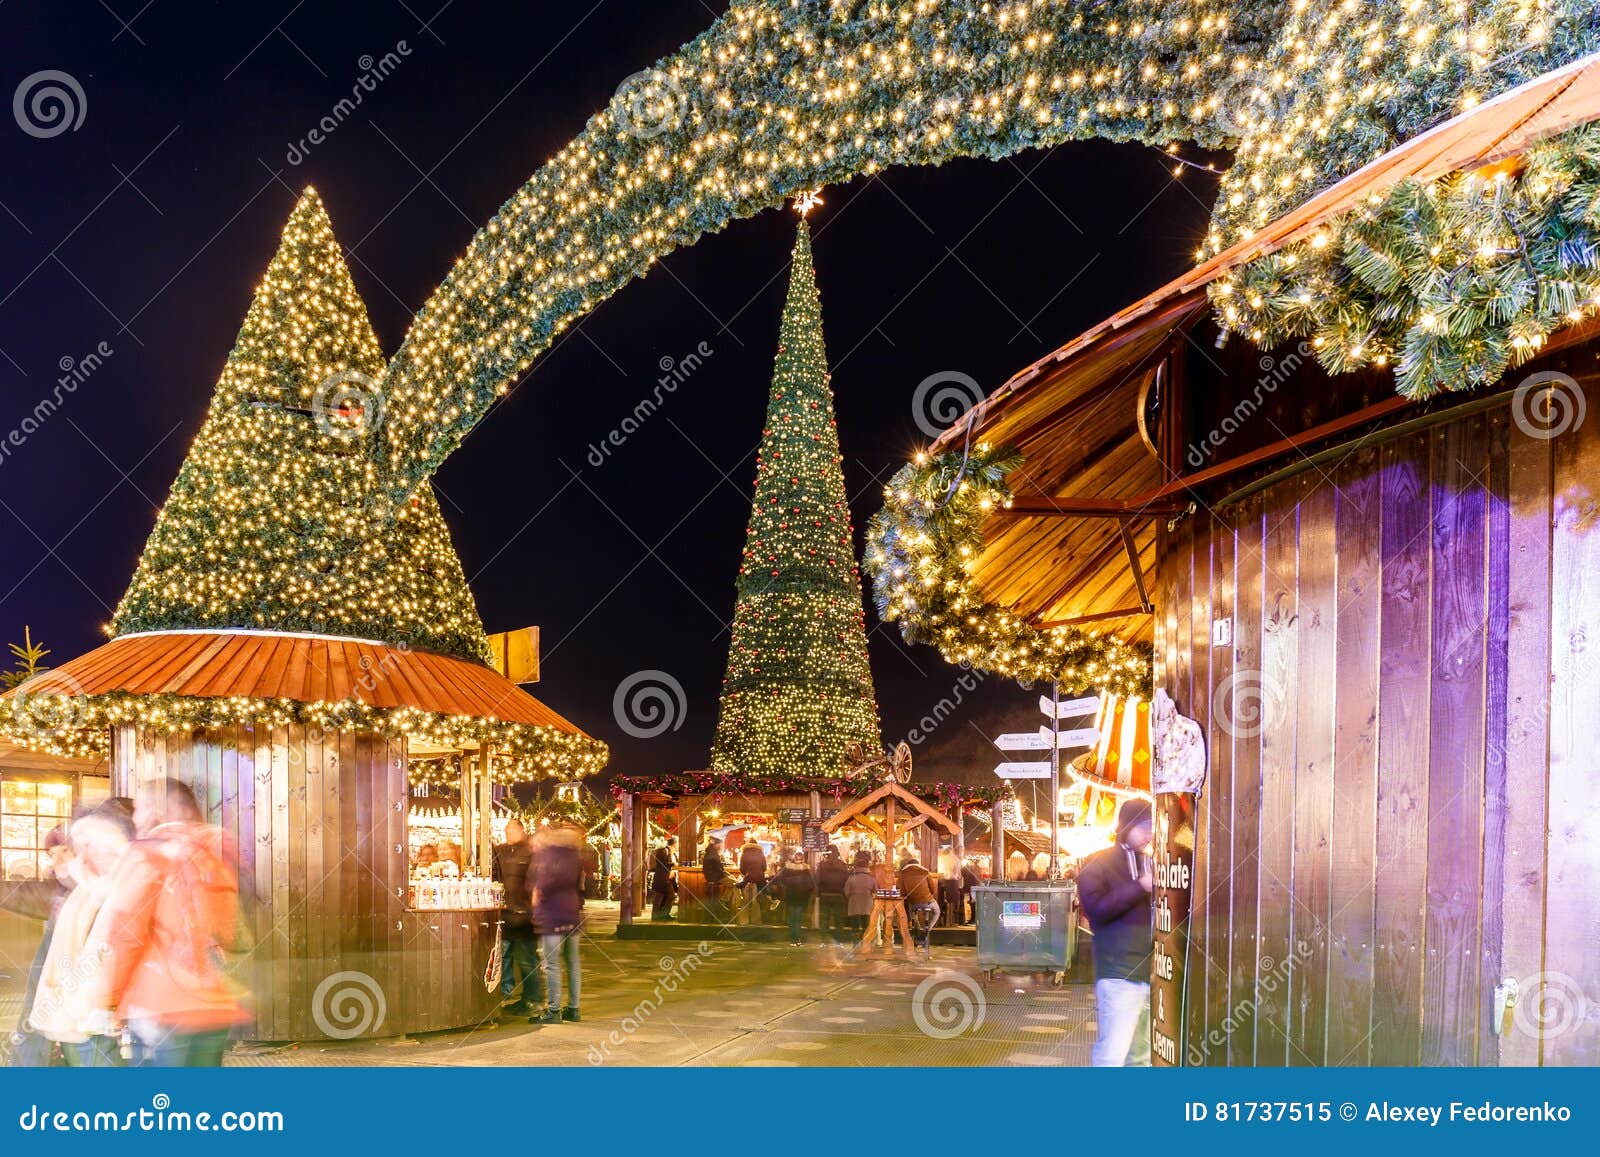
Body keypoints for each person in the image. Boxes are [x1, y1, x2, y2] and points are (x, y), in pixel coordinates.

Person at [100, 779, 249, 1066]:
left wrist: (111, 999)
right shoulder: (212, 852)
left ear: (156, 811)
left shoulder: (145, 854)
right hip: (213, 1005)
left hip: (159, 1005)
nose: (134, 818)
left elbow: (126, 932)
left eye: (139, 808)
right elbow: (228, 930)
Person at [29, 805, 133, 1066]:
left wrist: (105, 1008)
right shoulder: (85, 891)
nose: (82, 855)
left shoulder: (114, 889)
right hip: (77, 1020)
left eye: (90, 845)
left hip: (97, 1022)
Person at [1078, 798, 1155, 1067]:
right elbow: (1096, 910)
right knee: (1113, 1055)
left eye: (1153, 827)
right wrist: (1139, 887)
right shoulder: (1098, 864)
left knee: (1141, 1058)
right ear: (1127, 826)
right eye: (1144, 826)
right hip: (1118, 975)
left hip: (1151, 975)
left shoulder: (1150, 862)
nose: (1149, 834)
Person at [1, 824, 73, 1067]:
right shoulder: (62, 891)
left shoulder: (84, 892)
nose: (57, 861)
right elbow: (26, 894)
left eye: (65, 850)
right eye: (52, 854)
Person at [529, 821, 585, 1024]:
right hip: (572, 913)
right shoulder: (574, 855)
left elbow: (543, 882)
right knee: (573, 963)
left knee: (552, 964)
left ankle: (554, 1010)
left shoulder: (548, 854)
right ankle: (574, 1008)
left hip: (552, 915)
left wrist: (536, 892)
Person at [492, 819, 543, 1016]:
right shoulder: (503, 851)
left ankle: (533, 1000)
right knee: (507, 957)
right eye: (507, 831)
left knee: (527, 960)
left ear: (521, 830)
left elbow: (536, 883)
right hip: (508, 913)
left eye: (512, 830)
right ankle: (519, 997)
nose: (509, 834)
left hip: (524, 915)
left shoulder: (531, 852)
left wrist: (532, 907)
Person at [898, 853, 939, 956]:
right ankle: (927, 930)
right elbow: (932, 889)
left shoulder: (903, 874)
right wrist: (928, 896)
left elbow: (902, 891)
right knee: (937, 911)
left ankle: (917, 927)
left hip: (913, 903)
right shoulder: (925, 872)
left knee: (912, 911)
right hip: (928, 902)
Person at [773, 853, 815, 946]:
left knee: (792, 919)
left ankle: (793, 939)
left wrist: (788, 885)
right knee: (798, 919)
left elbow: (779, 879)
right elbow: (811, 885)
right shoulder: (806, 869)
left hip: (791, 897)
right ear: (803, 859)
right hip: (801, 898)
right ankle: (797, 939)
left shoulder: (788, 868)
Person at [815, 846, 849, 941]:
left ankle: (824, 937)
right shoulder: (842, 865)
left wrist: (818, 892)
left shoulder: (822, 865)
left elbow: (817, 880)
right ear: (837, 853)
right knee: (839, 918)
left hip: (825, 894)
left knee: (825, 917)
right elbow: (846, 880)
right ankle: (839, 937)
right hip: (839, 894)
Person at [843, 851, 875, 939]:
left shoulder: (852, 877)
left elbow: (846, 891)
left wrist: (850, 897)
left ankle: (855, 939)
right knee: (866, 923)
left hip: (854, 902)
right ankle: (865, 939)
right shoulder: (871, 878)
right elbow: (875, 891)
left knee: (855, 923)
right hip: (867, 903)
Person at [737, 837, 767, 926]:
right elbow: (764, 868)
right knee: (755, 900)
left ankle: (744, 921)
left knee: (746, 901)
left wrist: (747, 874)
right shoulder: (761, 853)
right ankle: (756, 921)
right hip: (759, 880)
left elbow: (741, 868)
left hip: (748, 880)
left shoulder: (744, 853)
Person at [701, 837, 728, 921]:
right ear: (717, 844)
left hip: (710, 877)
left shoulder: (710, 852)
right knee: (735, 884)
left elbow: (718, 867)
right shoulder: (713, 854)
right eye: (721, 844)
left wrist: (724, 873)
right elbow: (719, 868)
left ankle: (723, 903)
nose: (721, 846)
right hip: (715, 878)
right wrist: (725, 874)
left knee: (733, 882)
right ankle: (725, 902)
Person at [649, 843, 676, 921]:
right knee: (668, 896)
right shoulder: (664, 851)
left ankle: (659, 916)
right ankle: (661, 915)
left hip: (661, 878)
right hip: (662, 879)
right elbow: (663, 864)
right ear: (673, 845)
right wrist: (673, 864)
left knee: (662, 897)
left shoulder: (664, 851)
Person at [937, 845, 962, 926]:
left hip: (944, 882)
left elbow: (940, 872)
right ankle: (952, 920)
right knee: (953, 901)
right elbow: (959, 874)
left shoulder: (941, 859)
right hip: (954, 883)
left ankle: (941, 920)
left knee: (940, 900)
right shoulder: (956, 859)